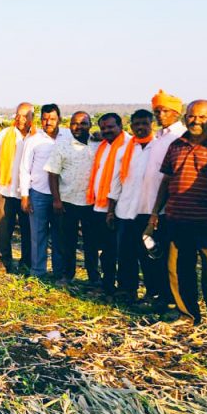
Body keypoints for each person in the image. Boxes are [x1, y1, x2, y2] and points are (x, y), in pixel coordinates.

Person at [147, 100, 207, 339]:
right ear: (186, 117)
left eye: (202, 117)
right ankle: (186, 314)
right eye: (191, 116)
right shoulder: (177, 145)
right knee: (178, 269)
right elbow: (166, 181)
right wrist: (155, 213)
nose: (195, 121)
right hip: (177, 218)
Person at [136, 89, 187, 305]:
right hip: (146, 205)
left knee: (167, 258)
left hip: (166, 209)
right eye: (157, 111)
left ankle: (169, 298)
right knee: (147, 253)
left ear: (175, 112)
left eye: (164, 110)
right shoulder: (158, 137)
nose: (159, 115)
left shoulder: (179, 137)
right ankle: (153, 292)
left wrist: (158, 211)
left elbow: (170, 178)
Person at [107, 110, 159, 305]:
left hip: (148, 212)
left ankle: (153, 292)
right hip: (125, 211)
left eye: (144, 123)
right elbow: (116, 182)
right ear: (131, 126)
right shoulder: (125, 150)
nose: (140, 127)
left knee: (149, 256)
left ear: (151, 124)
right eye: (136, 124)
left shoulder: (159, 148)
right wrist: (111, 210)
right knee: (126, 254)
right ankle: (127, 290)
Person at [44, 111, 97, 285]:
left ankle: (93, 277)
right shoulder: (63, 145)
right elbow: (52, 173)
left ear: (90, 125)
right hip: (68, 201)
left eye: (83, 123)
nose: (79, 127)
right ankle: (68, 275)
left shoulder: (99, 143)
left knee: (91, 243)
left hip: (92, 202)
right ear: (69, 125)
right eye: (75, 123)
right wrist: (56, 200)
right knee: (68, 242)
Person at [20, 104, 67, 277]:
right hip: (38, 193)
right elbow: (24, 168)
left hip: (62, 194)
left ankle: (58, 272)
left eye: (52, 118)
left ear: (59, 119)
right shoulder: (33, 140)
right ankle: (38, 271)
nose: (49, 122)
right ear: (41, 120)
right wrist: (25, 195)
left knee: (59, 235)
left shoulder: (68, 136)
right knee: (38, 235)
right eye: (45, 119)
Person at [86, 113, 129, 295]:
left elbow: (119, 179)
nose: (106, 131)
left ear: (120, 125)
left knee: (118, 250)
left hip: (117, 208)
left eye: (110, 127)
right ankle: (107, 283)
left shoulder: (127, 145)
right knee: (106, 249)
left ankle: (123, 288)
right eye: (103, 128)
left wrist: (111, 209)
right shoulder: (104, 145)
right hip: (99, 205)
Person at [0, 103, 33, 271]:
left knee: (28, 230)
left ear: (31, 118)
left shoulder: (37, 137)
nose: (20, 119)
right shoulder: (5, 134)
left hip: (26, 193)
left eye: (24, 115)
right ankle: (2, 260)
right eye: (17, 115)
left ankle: (27, 263)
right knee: (1, 228)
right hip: (5, 190)